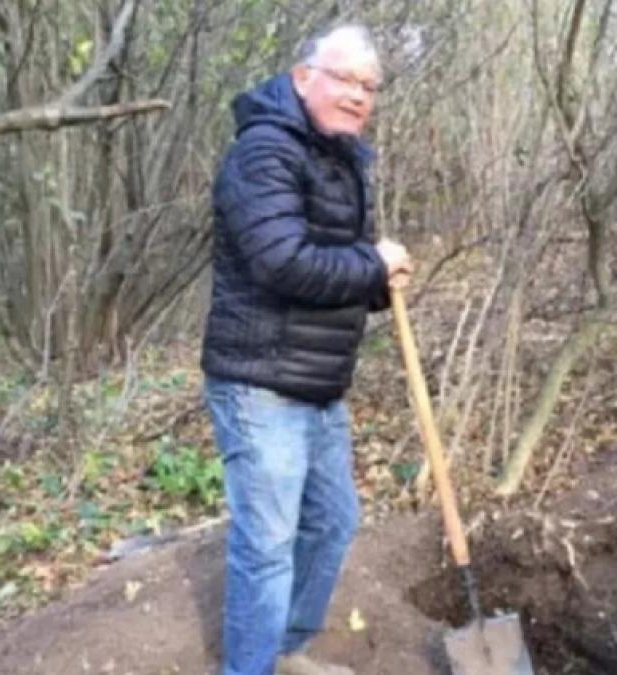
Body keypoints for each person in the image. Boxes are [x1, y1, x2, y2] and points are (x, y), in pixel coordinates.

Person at [200, 23, 411, 675]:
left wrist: (378, 281)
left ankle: (285, 651)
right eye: (345, 79)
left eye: (369, 86)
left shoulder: (342, 160)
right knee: (267, 544)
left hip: (317, 381)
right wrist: (370, 265)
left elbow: (334, 267)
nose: (358, 96)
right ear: (301, 78)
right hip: (259, 380)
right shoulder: (263, 152)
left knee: (333, 522)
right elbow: (283, 263)